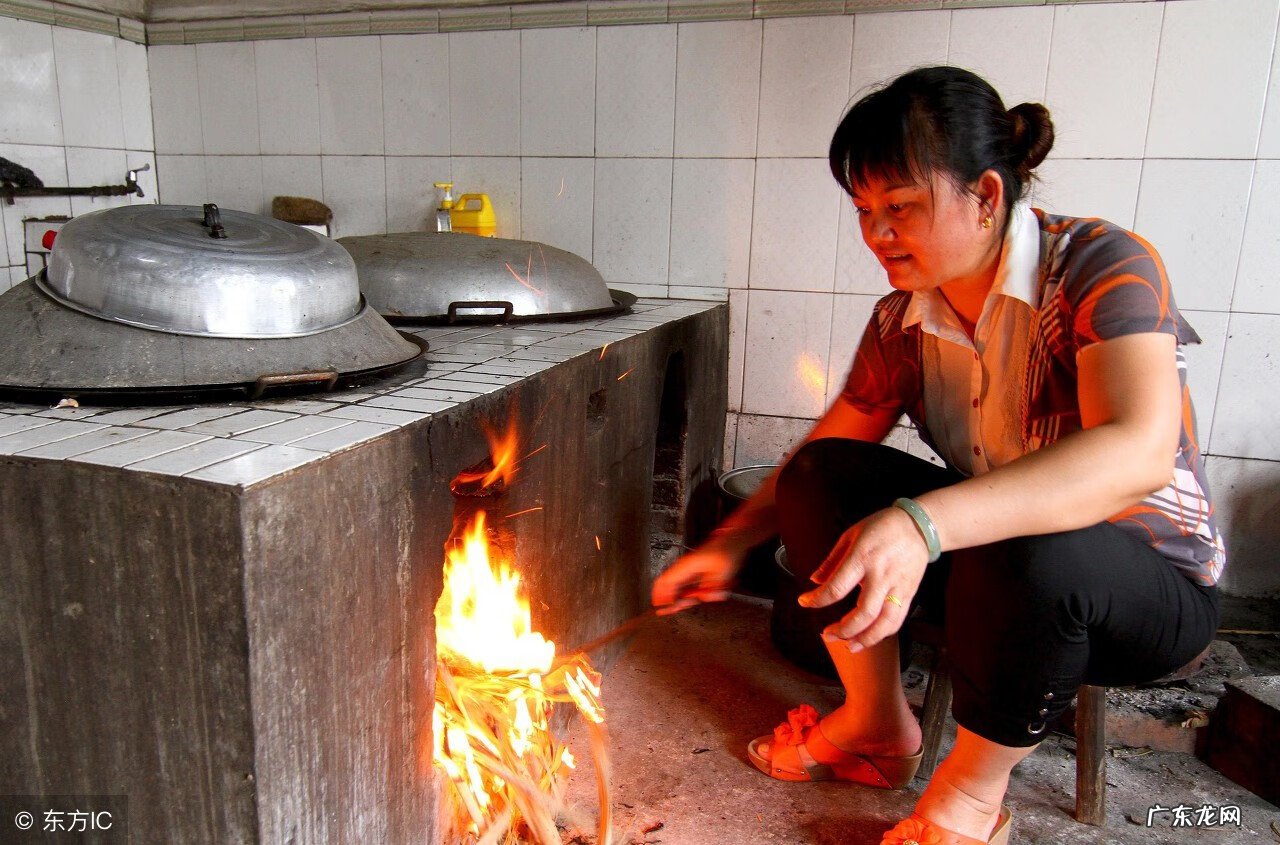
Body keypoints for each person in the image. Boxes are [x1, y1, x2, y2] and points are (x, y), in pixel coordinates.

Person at [652, 66, 1223, 845]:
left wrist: (922, 522)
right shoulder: (904, 322)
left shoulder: (1099, 266)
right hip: (997, 568)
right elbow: (825, 449)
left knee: (1023, 535)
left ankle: (970, 792)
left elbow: (1138, 450)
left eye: (901, 207)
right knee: (823, 478)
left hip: (1146, 586)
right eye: (864, 210)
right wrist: (725, 545)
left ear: (986, 195)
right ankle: (876, 723)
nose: (876, 234)